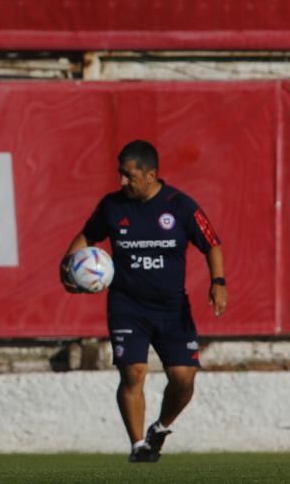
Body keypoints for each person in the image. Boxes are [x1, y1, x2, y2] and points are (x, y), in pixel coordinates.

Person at [59, 140, 227, 463]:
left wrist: (218, 282)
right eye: (120, 174)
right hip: (127, 307)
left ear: (151, 175)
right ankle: (139, 446)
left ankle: (160, 428)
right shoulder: (112, 206)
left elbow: (212, 243)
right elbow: (87, 235)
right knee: (133, 373)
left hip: (172, 309)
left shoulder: (180, 206)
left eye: (129, 175)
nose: (122, 181)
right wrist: (67, 264)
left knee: (183, 379)